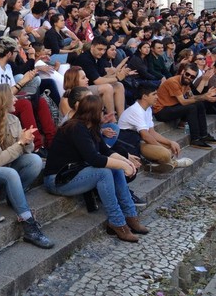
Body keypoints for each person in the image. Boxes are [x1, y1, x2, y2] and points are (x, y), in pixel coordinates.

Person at [44, 95, 147, 243]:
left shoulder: (91, 127)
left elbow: (105, 151)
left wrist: (126, 162)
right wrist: (124, 165)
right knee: (104, 172)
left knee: (114, 168)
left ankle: (130, 216)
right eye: (102, 110)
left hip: (75, 173)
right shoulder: (75, 128)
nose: (104, 113)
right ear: (93, 112)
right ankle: (117, 222)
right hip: (57, 179)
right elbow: (94, 158)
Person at [0, 84, 54, 248]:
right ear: (3, 101)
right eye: (12, 96)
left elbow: (25, 152)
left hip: (10, 164)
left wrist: (28, 142)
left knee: (35, 160)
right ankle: (28, 224)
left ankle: (13, 196)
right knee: (10, 174)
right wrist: (20, 142)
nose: (16, 99)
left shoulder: (13, 119)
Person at [117, 82, 193, 171]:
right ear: (144, 96)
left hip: (139, 140)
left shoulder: (148, 108)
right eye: (154, 94)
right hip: (130, 143)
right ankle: (173, 163)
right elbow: (146, 136)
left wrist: (170, 142)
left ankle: (159, 164)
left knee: (171, 147)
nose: (157, 97)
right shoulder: (136, 110)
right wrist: (162, 148)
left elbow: (152, 132)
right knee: (165, 153)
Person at [152, 63, 216, 150]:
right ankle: (195, 138)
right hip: (161, 111)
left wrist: (206, 95)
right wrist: (203, 97)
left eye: (192, 76)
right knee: (191, 107)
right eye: (187, 74)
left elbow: (192, 97)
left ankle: (204, 135)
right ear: (183, 72)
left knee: (199, 104)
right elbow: (183, 102)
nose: (189, 77)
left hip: (171, 107)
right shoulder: (173, 81)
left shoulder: (186, 83)